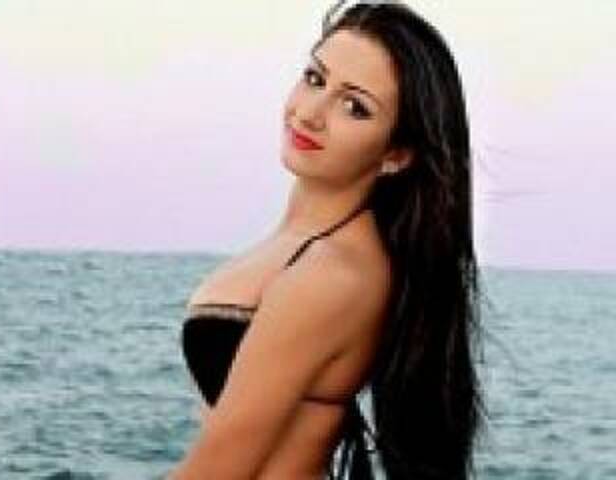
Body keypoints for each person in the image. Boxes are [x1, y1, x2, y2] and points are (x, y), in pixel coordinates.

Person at [168, 1, 485, 479]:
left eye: (354, 106)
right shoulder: (320, 247)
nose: (311, 113)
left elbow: (218, 471)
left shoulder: (332, 273)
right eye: (315, 79)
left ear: (396, 154)